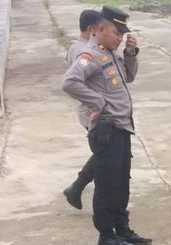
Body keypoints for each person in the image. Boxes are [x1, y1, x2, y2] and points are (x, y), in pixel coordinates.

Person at [62, 6, 151, 245]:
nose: (119, 37)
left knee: (122, 182)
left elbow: (128, 78)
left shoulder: (112, 54)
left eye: (122, 34)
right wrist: (98, 102)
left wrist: (131, 54)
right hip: (107, 129)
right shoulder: (89, 55)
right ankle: (106, 236)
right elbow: (69, 82)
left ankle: (122, 229)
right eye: (116, 32)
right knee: (107, 183)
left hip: (122, 127)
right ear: (100, 30)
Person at [62, 9, 102, 210]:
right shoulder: (83, 51)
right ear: (91, 29)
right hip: (94, 113)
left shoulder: (75, 47)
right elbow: (75, 83)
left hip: (92, 111)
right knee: (105, 153)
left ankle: (77, 188)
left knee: (104, 152)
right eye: (100, 28)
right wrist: (97, 103)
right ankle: (77, 187)